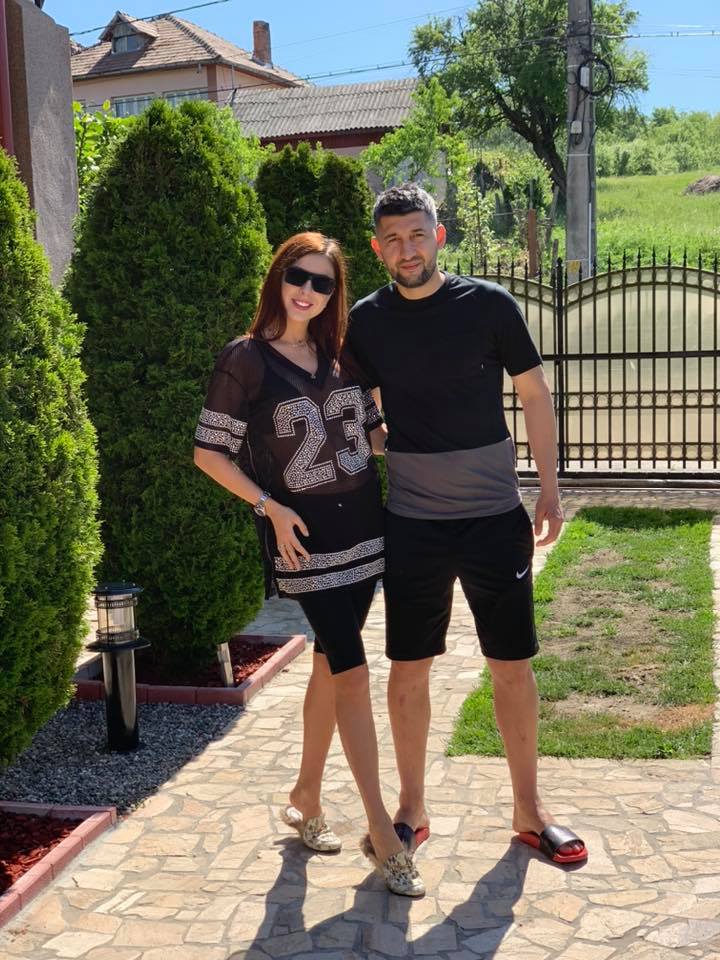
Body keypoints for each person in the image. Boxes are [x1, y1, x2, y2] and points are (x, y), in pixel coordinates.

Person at [344, 185, 588, 866]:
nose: (407, 249)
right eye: (393, 239)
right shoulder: (367, 321)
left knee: (511, 666)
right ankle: (411, 809)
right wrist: (376, 432)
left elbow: (534, 394)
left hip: (493, 519)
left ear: (439, 235)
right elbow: (351, 397)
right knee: (407, 670)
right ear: (378, 248)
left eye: (417, 234)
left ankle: (529, 810)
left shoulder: (489, 305)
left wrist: (550, 489)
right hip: (413, 523)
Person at [193, 232, 424, 896]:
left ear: (334, 293)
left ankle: (306, 796)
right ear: (278, 276)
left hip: (366, 532)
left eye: (323, 283)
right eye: (299, 276)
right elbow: (209, 454)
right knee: (353, 672)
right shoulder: (245, 358)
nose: (308, 291)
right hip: (306, 540)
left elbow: (371, 438)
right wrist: (268, 507)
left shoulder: (342, 356)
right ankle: (382, 833)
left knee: (329, 663)